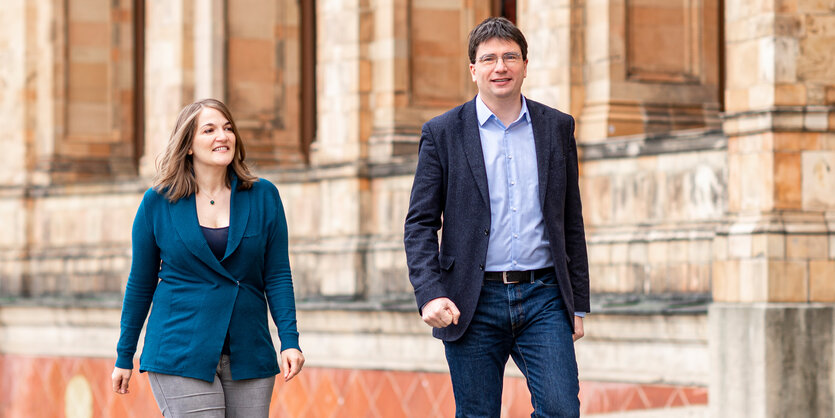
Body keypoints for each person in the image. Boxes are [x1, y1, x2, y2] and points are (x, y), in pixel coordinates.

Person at [404, 17, 590, 417]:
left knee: (561, 410)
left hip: (544, 297)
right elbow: (419, 223)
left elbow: (570, 221)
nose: (500, 67)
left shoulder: (557, 127)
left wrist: (577, 303)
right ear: (473, 70)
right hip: (470, 299)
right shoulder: (443, 133)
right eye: (488, 59)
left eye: (510, 56)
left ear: (525, 64)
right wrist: (429, 292)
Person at [111, 98, 305, 417]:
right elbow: (141, 283)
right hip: (179, 348)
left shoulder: (263, 196)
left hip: (249, 350)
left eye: (228, 128)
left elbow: (278, 274)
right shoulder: (158, 203)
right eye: (210, 130)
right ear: (188, 145)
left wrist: (290, 340)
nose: (222, 136)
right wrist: (124, 354)